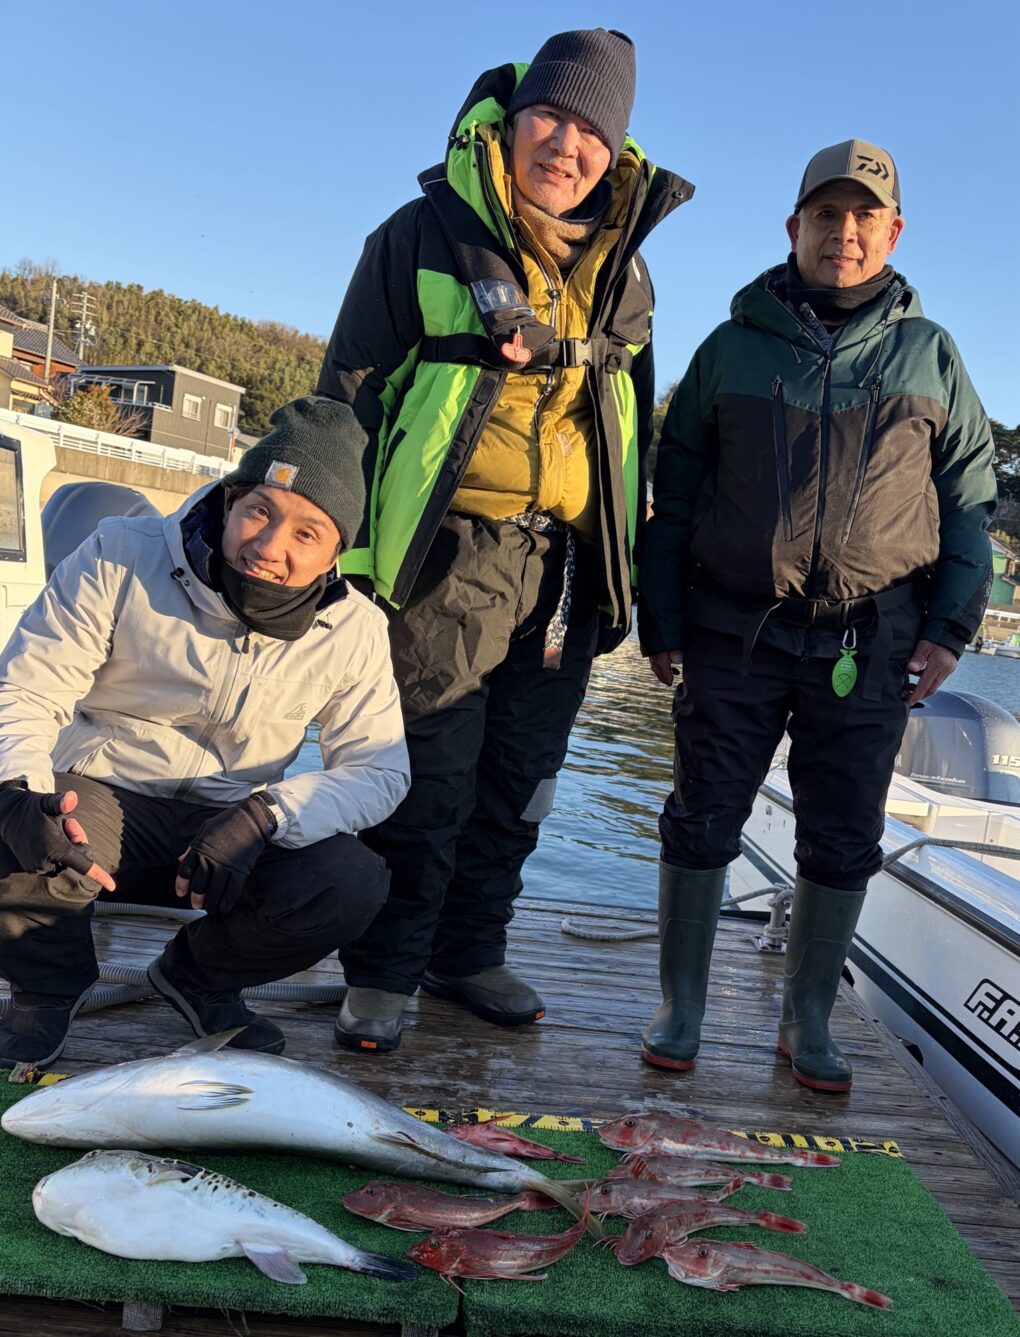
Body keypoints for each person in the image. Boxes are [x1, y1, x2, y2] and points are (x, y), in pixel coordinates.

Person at [317, 28, 693, 1052]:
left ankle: (469, 949)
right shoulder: (419, 234)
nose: (566, 145)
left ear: (615, 153)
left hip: (566, 570)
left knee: (522, 782)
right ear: (512, 120)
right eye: (550, 118)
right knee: (426, 776)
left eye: (590, 132)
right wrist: (337, 553)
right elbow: (346, 398)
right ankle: (384, 970)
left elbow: (631, 432)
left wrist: (628, 579)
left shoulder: (630, 278)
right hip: (444, 554)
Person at [638, 139, 995, 1093]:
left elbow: (968, 503)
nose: (845, 232)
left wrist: (950, 627)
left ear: (893, 232)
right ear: (795, 226)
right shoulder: (728, 349)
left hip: (872, 639)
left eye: (864, 216)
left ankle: (807, 1019)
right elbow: (674, 498)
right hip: (733, 631)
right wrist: (660, 620)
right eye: (827, 215)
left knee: (842, 837)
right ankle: (682, 1006)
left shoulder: (932, 355)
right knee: (701, 817)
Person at [0, 397, 410, 1066]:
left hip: (227, 830)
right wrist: (20, 789)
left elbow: (381, 769)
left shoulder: (356, 629)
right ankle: (46, 987)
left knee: (349, 881)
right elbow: (26, 686)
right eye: (259, 511)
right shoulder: (119, 552)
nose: (268, 548)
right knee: (12, 817)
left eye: (307, 533)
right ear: (230, 499)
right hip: (98, 799)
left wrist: (266, 816)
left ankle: (197, 977)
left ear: (338, 550)